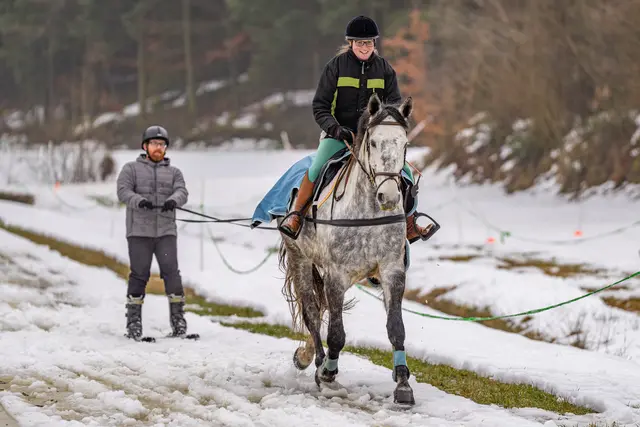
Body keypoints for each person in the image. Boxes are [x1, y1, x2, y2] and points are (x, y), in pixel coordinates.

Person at [280, 15, 430, 243]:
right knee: (317, 167)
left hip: (374, 140)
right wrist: (335, 128)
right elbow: (320, 106)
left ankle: (409, 224)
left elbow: (394, 107)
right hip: (340, 136)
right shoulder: (336, 67)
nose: (364, 47)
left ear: (374, 44)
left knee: (406, 174)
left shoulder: (385, 69)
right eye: (360, 42)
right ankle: (296, 215)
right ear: (350, 43)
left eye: (368, 42)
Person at [116, 125, 189, 340]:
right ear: (145, 146)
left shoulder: (174, 172)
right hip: (139, 232)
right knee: (139, 274)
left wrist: (173, 201)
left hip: (166, 231)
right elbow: (123, 191)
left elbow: (182, 191)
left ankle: (178, 322)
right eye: (155, 144)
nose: (159, 148)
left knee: (172, 274)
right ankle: (134, 324)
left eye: (162, 144)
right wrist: (139, 201)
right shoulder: (131, 169)